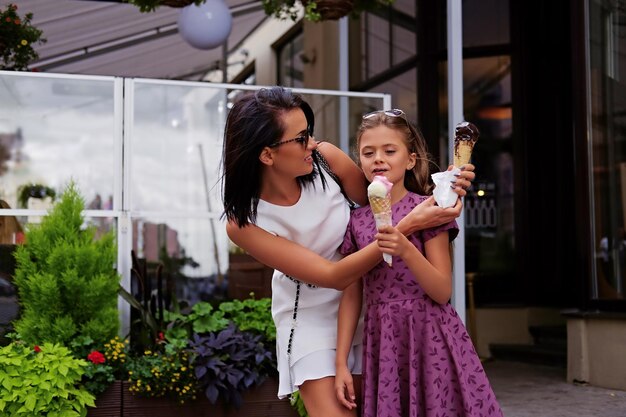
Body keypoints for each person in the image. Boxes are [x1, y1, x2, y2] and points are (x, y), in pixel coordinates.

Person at [221, 87, 475, 417]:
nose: (312, 143)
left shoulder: (327, 160)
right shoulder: (245, 222)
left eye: (308, 133)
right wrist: (408, 227)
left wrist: (448, 190)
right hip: (312, 321)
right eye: (300, 139)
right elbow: (334, 275)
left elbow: (389, 203)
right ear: (267, 155)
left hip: (375, 312)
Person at [334, 109, 503, 417]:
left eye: (390, 150)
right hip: (383, 339)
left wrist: (407, 249)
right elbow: (352, 293)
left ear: (410, 159)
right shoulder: (356, 221)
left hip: (429, 333)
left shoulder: (429, 208)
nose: (378, 159)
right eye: (368, 152)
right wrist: (341, 362)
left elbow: (441, 291)